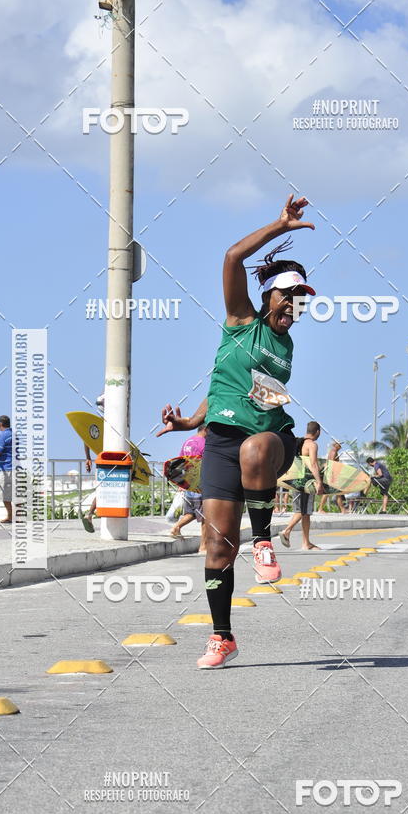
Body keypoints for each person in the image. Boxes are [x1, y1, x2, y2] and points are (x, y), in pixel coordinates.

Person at [159, 194, 316, 669]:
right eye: (287, 294)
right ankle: (222, 636)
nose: (294, 304)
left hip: (273, 442)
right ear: (267, 295)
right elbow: (232, 257)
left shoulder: (284, 344)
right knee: (217, 547)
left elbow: (262, 393)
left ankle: (265, 539)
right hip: (222, 444)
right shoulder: (241, 324)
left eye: (301, 297)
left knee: (254, 448)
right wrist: (190, 422)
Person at [279, 422, 324, 549]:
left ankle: (306, 543)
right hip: (306, 483)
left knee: (306, 513)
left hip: (296, 481)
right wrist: (319, 482)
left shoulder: (297, 442)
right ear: (318, 432)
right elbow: (314, 464)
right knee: (302, 511)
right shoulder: (312, 445)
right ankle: (286, 531)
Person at [169, 425, 208, 553]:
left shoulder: (188, 441)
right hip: (200, 483)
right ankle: (203, 547)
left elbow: (179, 462)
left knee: (190, 512)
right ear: (206, 429)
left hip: (188, 482)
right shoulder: (204, 443)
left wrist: (181, 482)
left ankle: (176, 527)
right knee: (205, 517)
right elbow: (207, 464)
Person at [80, 394, 104, 533]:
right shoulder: (106, 422)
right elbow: (87, 438)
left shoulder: (98, 423)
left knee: (103, 490)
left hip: (103, 460)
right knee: (103, 490)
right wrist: (88, 457)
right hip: (106, 460)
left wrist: (88, 457)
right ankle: (90, 514)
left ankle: (90, 514)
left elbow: (87, 438)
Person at [317, 441, 346, 514]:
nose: (341, 446)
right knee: (329, 492)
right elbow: (331, 463)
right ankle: (320, 509)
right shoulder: (333, 451)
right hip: (332, 475)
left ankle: (343, 509)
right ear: (336, 445)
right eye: (339, 445)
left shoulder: (333, 451)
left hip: (331, 474)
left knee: (337, 492)